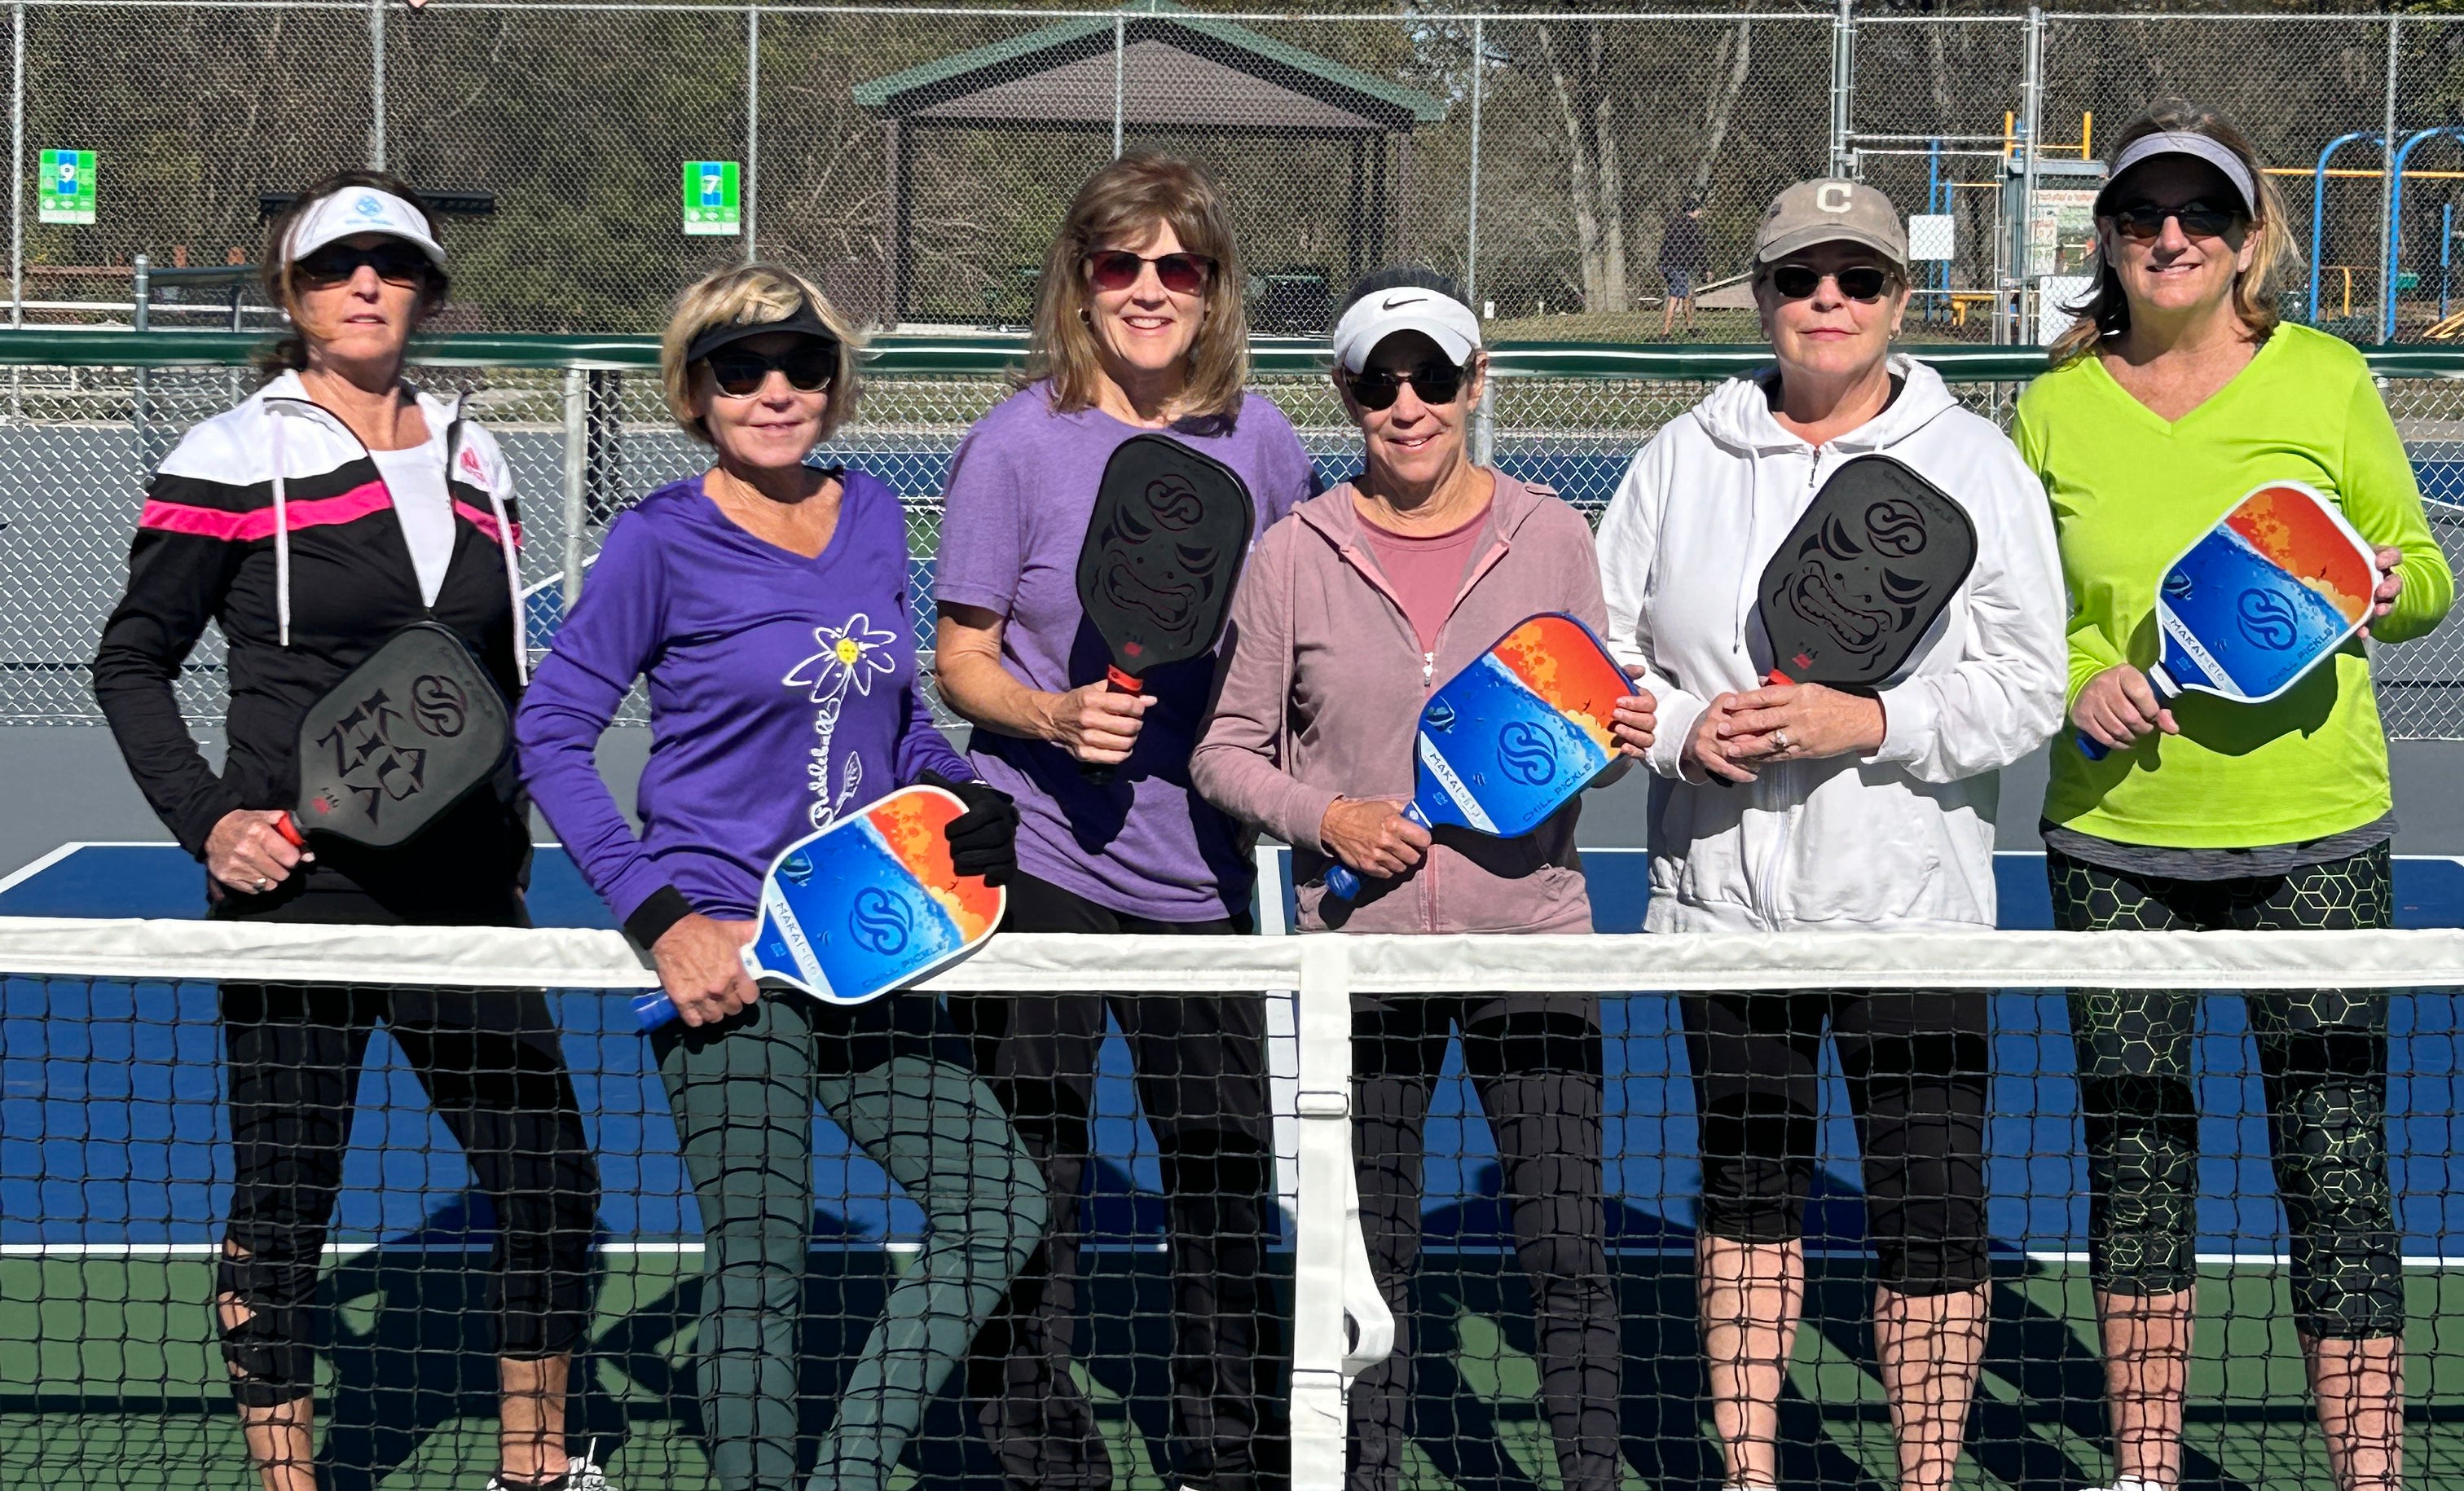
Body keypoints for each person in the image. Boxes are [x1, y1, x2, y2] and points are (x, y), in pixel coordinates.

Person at [90, 172, 605, 1491]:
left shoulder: (477, 453)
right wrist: (208, 822)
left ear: (426, 291)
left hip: (467, 903)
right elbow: (134, 657)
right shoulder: (231, 452)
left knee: (550, 1184)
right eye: (336, 268)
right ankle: (288, 1483)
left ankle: (534, 1468)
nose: (365, 286)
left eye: (392, 265)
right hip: (298, 896)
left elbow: (485, 673)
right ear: (296, 294)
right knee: (285, 1204)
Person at [515, 266, 1047, 1491]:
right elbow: (551, 731)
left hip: (871, 934)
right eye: (738, 366)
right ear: (695, 390)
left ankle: (847, 1473)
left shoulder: (867, 514)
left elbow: (900, 721)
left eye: (802, 363)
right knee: (762, 1264)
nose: (773, 389)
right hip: (731, 959)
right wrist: (662, 920)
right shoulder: (658, 539)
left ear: (835, 381)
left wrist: (961, 796)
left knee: (998, 1207)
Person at [1595, 178, 2066, 1491]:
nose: (1828, 302)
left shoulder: (1975, 464)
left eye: (1858, 279)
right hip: (1720, 916)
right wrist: (1688, 731)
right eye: (1802, 278)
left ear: (1899, 300)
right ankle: (1754, 1475)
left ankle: (1923, 1478)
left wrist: (1870, 719)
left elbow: (2029, 684)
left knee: (1934, 1218)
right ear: (1760, 297)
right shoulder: (1677, 462)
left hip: (1912, 920)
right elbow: (1606, 659)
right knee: (1746, 1206)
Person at [2018, 103, 2454, 1491]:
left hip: (2315, 828)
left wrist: (2389, 588)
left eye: (2197, 213)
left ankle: (2366, 1479)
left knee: (2335, 1168)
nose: (2167, 236)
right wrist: (2079, 681)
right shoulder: (2048, 405)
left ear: (2243, 236)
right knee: (2134, 1161)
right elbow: (2018, 620)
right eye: (2140, 213)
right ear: (2104, 237)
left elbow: (2421, 577)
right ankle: (2143, 1470)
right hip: (2111, 834)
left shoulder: (2322, 382)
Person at [1193, 268, 1644, 1491]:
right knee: (1368, 1255)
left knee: (1563, 1247)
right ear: (1347, 396)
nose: (1408, 405)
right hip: (1359, 961)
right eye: (1381, 382)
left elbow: (1578, 763)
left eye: (1433, 376)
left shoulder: (1551, 533)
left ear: (1475, 382)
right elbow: (1225, 750)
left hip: (1529, 941)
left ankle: (1590, 1476)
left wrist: (1609, 742)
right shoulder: (1295, 552)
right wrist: (1326, 817)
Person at [931, 153, 1315, 1491]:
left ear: (1210, 288)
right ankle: (1042, 1458)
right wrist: (1046, 719)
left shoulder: (1260, 442)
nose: (1147, 291)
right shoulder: (1012, 444)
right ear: (1079, 280)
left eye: (1176, 267)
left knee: (1219, 1179)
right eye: (1119, 265)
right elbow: (962, 657)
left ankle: (1225, 1450)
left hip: (1204, 870)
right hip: (1040, 860)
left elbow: (1298, 633)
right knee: (1028, 1182)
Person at [1661, 198, 1710, 338]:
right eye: (1698, 210)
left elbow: (1664, 246)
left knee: (1686, 295)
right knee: (1675, 297)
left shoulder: (1673, 224)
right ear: (1694, 211)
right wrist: (1705, 268)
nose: (1700, 213)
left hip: (1667, 264)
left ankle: (1690, 326)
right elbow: (1699, 249)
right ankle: (1665, 332)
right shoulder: (1692, 226)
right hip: (1679, 266)